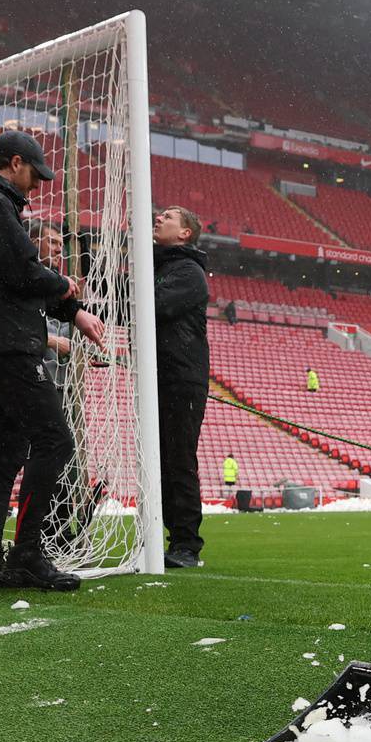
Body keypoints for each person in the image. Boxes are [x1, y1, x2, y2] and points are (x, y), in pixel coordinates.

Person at [0, 130, 104, 591]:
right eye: (34, 175)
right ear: (15, 163)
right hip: (8, 345)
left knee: (6, 455)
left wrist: (71, 311)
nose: (36, 186)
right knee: (55, 441)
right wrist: (62, 286)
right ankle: (27, 554)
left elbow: (13, 280)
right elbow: (21, 270)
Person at [151, 205, 212, 568]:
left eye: (168, 217)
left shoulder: (188, 272)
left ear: (185, 232)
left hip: (181, 377)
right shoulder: (161, 267)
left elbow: (150, 307)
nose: (158, 218)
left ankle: (187, 543)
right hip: (160, 374)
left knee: (178, 459)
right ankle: (168, 535)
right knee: (161, 460)